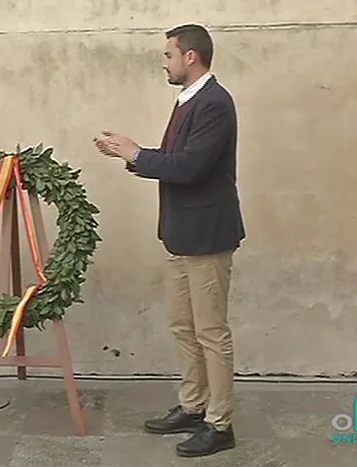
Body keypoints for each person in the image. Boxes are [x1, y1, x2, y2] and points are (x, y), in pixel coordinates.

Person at [94, 23, 245, 458]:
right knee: (184, 326)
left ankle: (220, 423)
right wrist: (134, 152)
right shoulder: (189, 101)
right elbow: (178, 160)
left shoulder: (215, 102)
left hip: (207, 235)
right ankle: (194, 405)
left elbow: (192, 167)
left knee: (211, 331)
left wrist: (136, 155)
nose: (165, 62)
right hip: (181, 234)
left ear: (190, 57)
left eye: (168, 55)